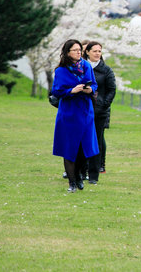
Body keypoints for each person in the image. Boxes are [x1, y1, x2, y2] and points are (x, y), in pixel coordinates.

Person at [51, 39, 100, 192]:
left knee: (83, 147)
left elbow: (94, 84)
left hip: (85, 111)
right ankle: (72, 182)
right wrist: (71, 91)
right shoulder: (61, 71)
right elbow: (56, 91)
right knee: (69, 147)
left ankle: (79, 176)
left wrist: (89, 89)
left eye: (79, 49)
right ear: (67, 52)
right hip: (69, 112)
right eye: (75, 50)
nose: (79, 52)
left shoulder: (86, 66)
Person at [84, 41, 116, 179]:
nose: (97, 53)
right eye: (95, 51)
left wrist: (103, 105)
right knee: (81, 140)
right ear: (87, 52)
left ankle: (94, 171)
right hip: (83, 109)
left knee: (96, 140)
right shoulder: (81, 67)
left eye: (99, 51)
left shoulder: (106, 70)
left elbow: (111, 90)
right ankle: (80, 169)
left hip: (99, 111)